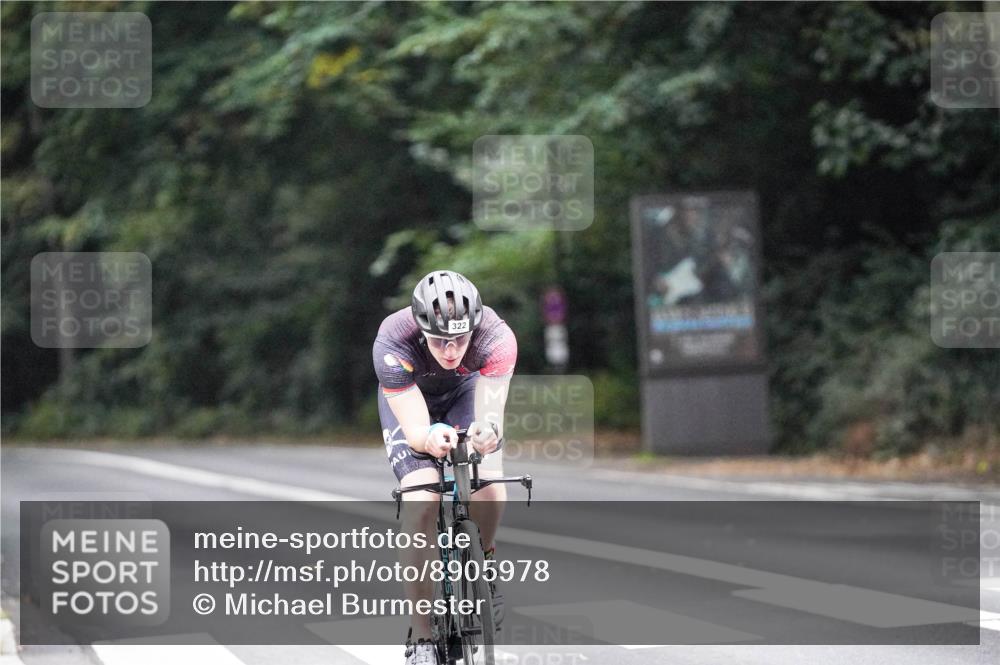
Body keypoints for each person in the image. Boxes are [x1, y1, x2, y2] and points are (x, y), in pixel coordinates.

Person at [372, 270, 517, 665]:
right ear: (420, 328)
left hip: (467, 391)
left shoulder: (496, 337)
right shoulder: (393, 339)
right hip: (411, 396)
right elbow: (417, 431)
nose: (451, 350)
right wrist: (428, 438)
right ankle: (421, 635)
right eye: (438, 339)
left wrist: (488, 433)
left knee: (488, 481)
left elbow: (491, 416)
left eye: (460, 339)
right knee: (422, 499)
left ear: (475, 327)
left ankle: (483, 561)